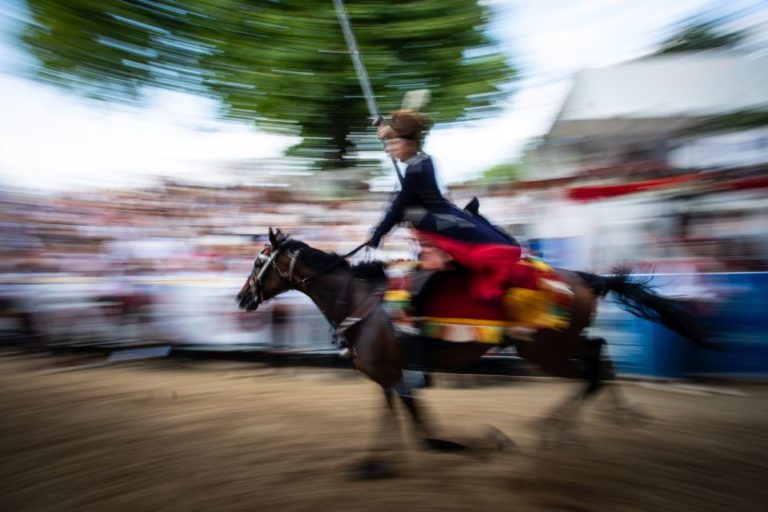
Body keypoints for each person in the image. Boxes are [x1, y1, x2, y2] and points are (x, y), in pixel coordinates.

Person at [368, 109, 535, 305]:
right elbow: (401, 203)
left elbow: (398, 206)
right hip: (444, 217)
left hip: (441, 224)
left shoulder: (415, 169)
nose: (390, 149)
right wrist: (386, 129)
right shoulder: (423, 160)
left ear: (410, 144)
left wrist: (378, 233)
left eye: (395, 144)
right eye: (389, 144)